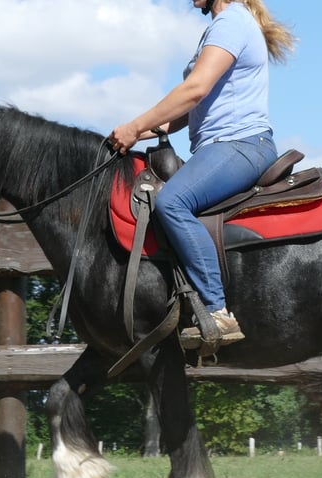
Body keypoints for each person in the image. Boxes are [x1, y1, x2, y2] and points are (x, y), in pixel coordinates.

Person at [109, 0, 295, 347]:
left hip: (240, 145)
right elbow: (181, 114)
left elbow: (194, 90)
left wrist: (135, 125)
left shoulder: (230, 23)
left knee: (173, 202)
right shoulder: (225, 25)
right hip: (222, 147)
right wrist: (133, 132)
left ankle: (218, 312)